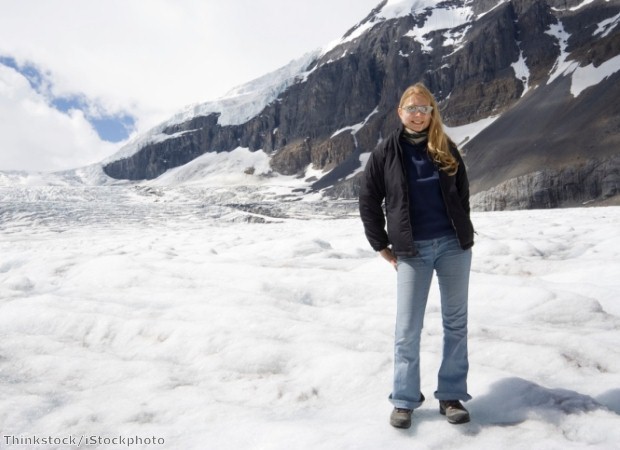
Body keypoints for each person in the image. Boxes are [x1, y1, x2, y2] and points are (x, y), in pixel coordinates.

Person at [358, 82, 474, 428]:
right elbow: (368, 200)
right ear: (400, 112)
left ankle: (451, 397)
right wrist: (381, 244)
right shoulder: (385, 153)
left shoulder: (446, 147)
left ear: (432, 112)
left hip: (453, 247)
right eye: (412, 108)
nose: (418, 115)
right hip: (412, 251)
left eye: (424, 109)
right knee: (407, 328)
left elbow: (462, 194)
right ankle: (404, 400)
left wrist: (462, 232)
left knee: (456, 324)